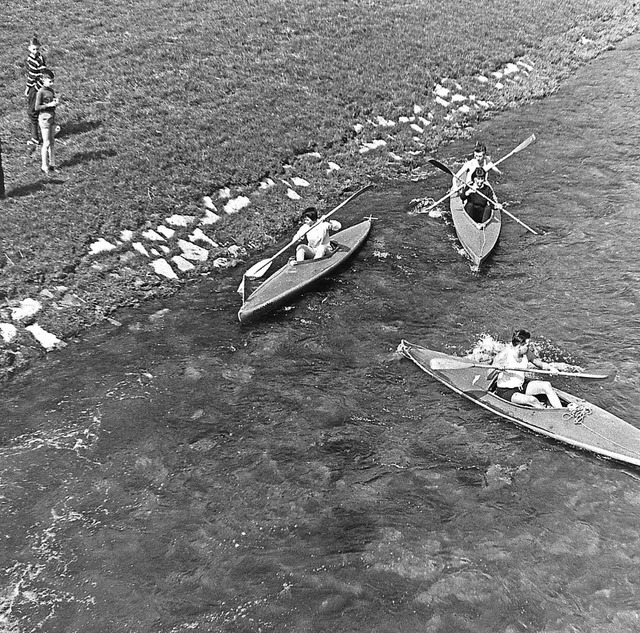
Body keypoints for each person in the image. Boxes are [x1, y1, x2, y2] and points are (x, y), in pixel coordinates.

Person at [491, 329, 562, 409]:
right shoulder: (503, 356)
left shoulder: (527, 353)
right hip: (506, 391)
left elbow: (541, 365)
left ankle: (561, 411)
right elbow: (488, 376)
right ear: (520, 345)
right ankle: (550, 417)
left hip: (522, 386)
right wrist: (497, 370)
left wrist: (551, 368)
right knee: (532, 400)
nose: (529, 347)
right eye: (527, 345)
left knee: (547, 385)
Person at [34, 69, 59, 175]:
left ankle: (52, 164)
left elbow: (52, 101)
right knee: (46, 142)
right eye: (50, 81)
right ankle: (44, 166)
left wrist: (55, 102)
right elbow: (36, 107)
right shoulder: (40, 92)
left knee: (52, 141)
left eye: (52, 81)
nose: (52, 83)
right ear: (43, 81)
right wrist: (48, 105)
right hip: (44, 119)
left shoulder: (51, 91)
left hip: (52, 118)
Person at [25, 36, 48, 146]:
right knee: (40, 110)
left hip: (36, 86)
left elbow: (32, 75)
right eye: (33, 49)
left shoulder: (32, 59)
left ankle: (35, 138)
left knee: (32, 112)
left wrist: (28, 87)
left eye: (37, 49)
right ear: (29, 48)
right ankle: (47, 130)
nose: (35, 51)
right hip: (42, 85)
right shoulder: (41, 58)